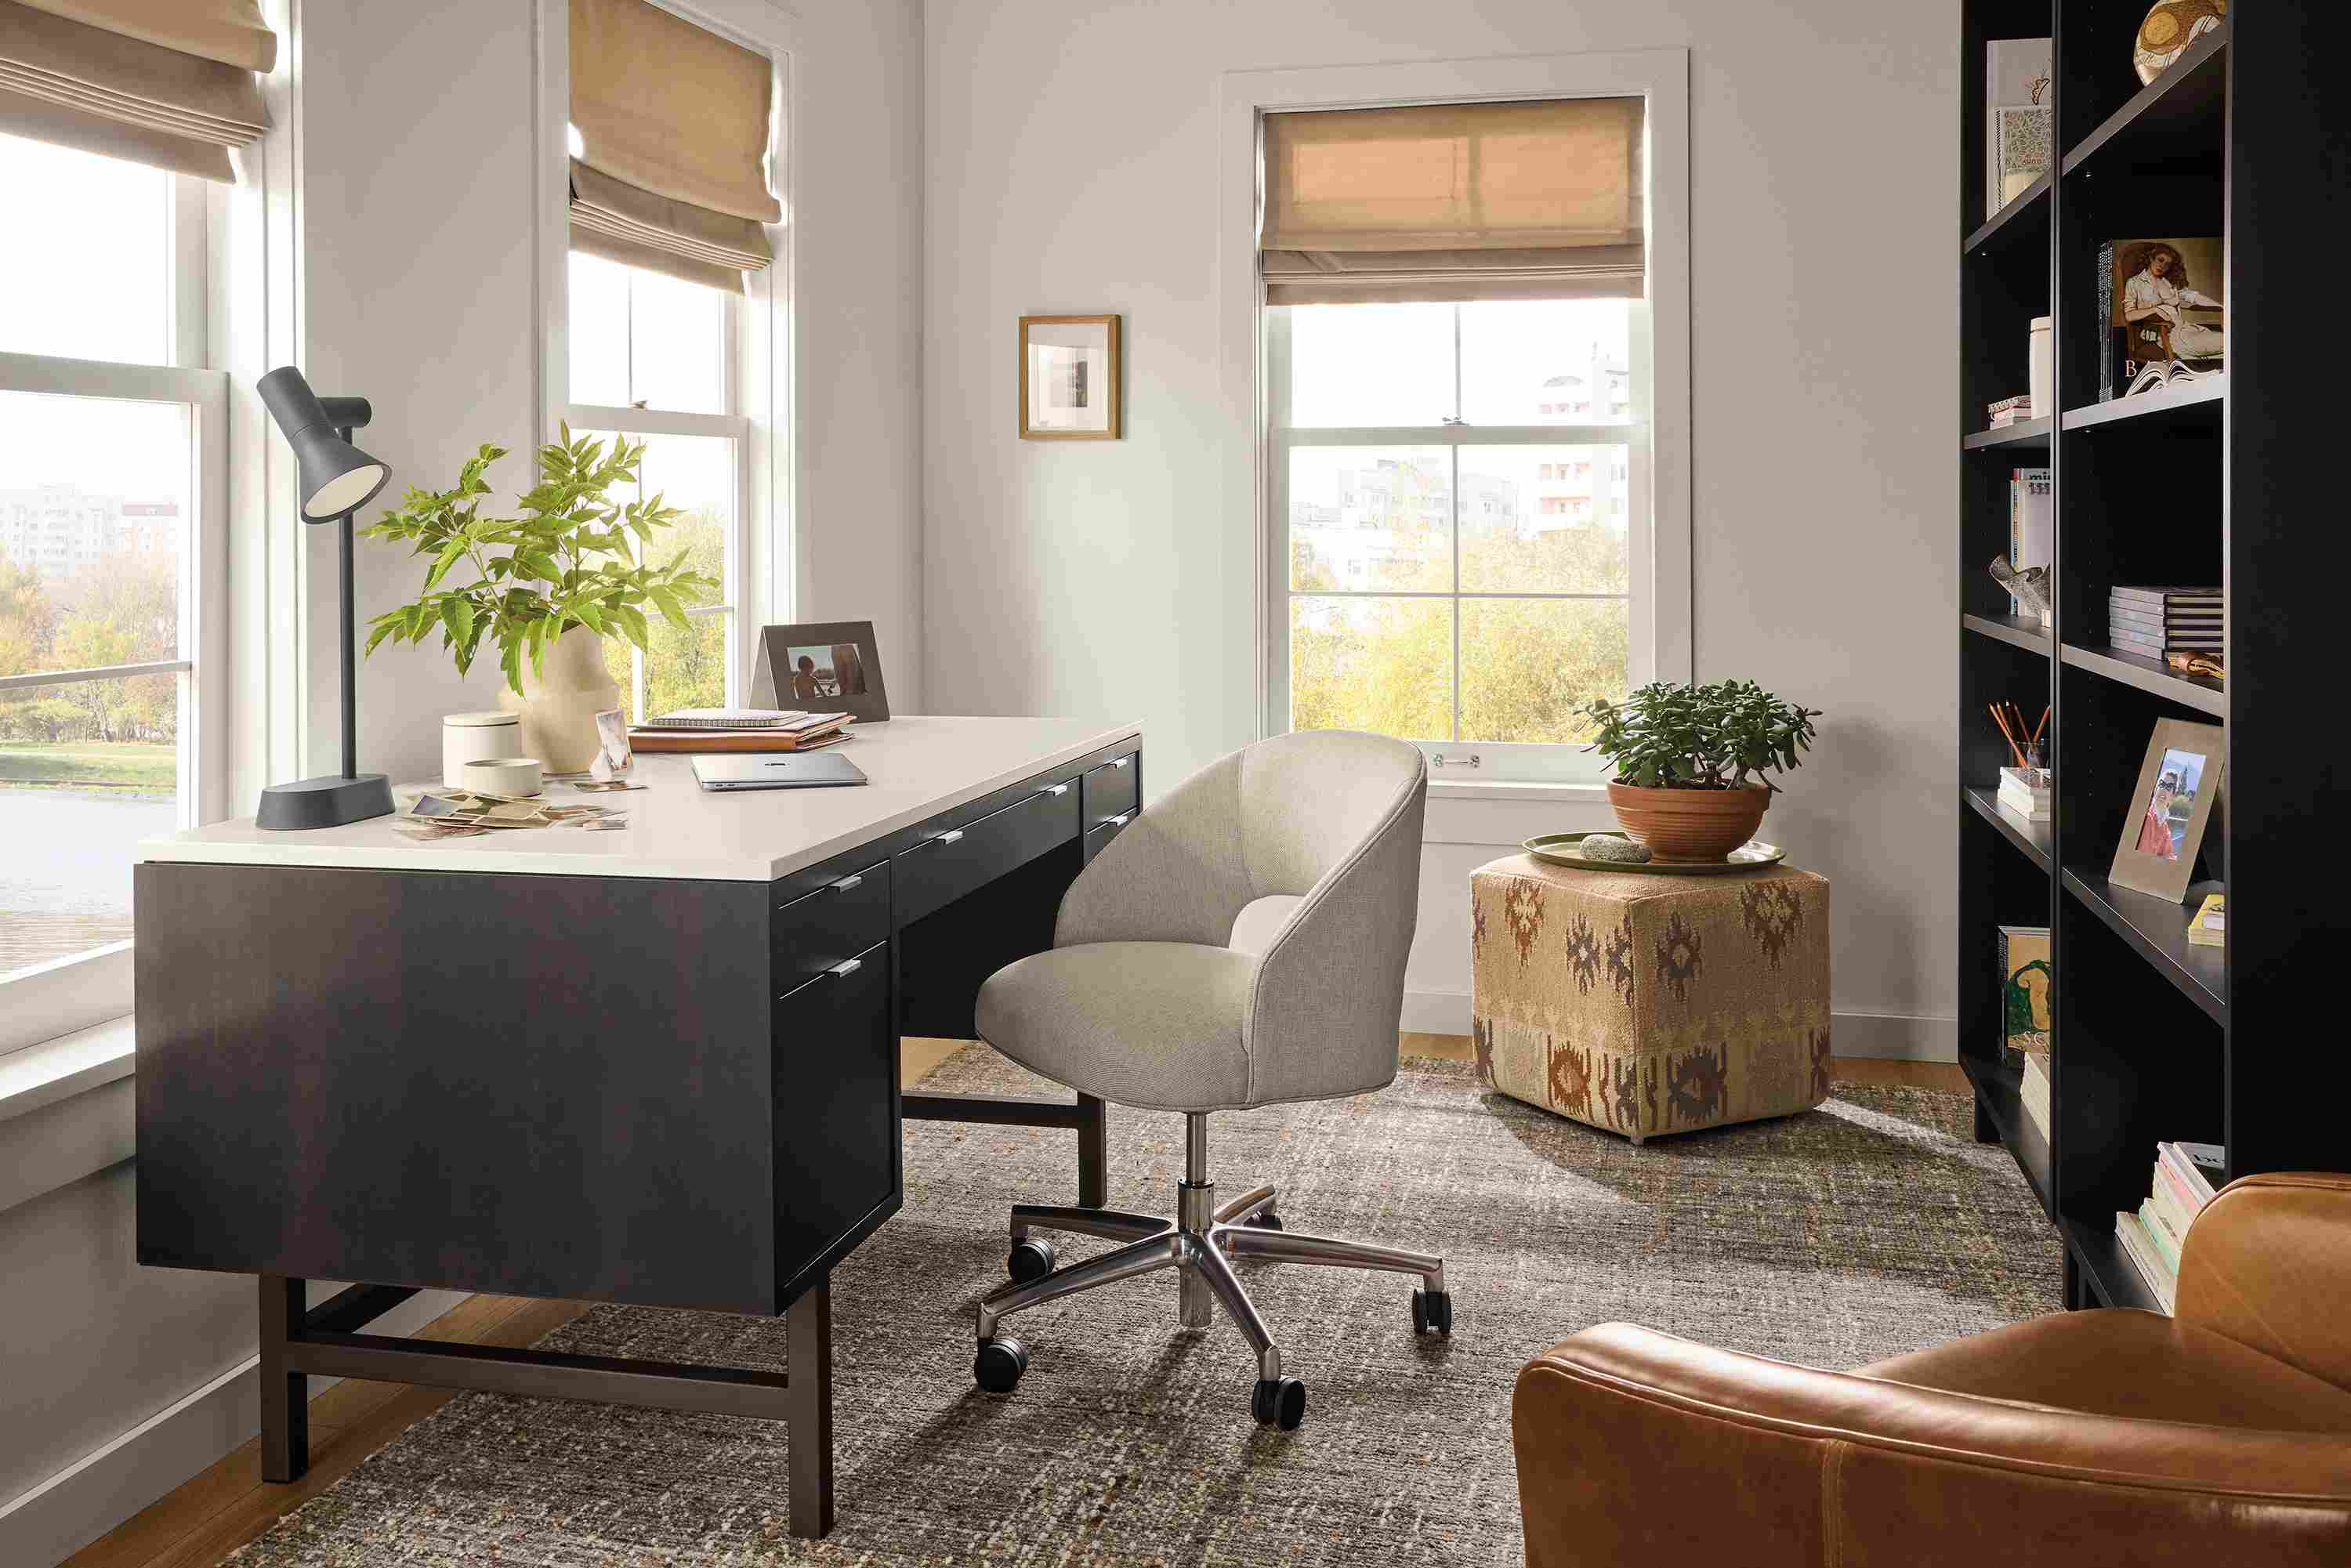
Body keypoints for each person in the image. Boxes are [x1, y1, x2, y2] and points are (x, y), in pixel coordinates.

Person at [2121, 243, 2223, 363]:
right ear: (2151, 258)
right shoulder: (2134, 283)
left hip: (2187, 330)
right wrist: (2155, 310)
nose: (2162, 266)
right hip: (2167, 335)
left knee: (2227, 349)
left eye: (2167, 264)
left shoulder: (2168, 283)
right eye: (2160, 260)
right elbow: (2129, 315)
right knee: (2228, 342)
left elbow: (2192, 296)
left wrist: (2221, 306)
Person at [2135, 770, 2182, 860]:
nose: (2163, 789)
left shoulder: (2165, 829)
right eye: (2161, 784)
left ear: (2172, 797)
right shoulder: (2145, 818)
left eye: (2169, 787)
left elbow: (2169, 855)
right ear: (2155, 790)